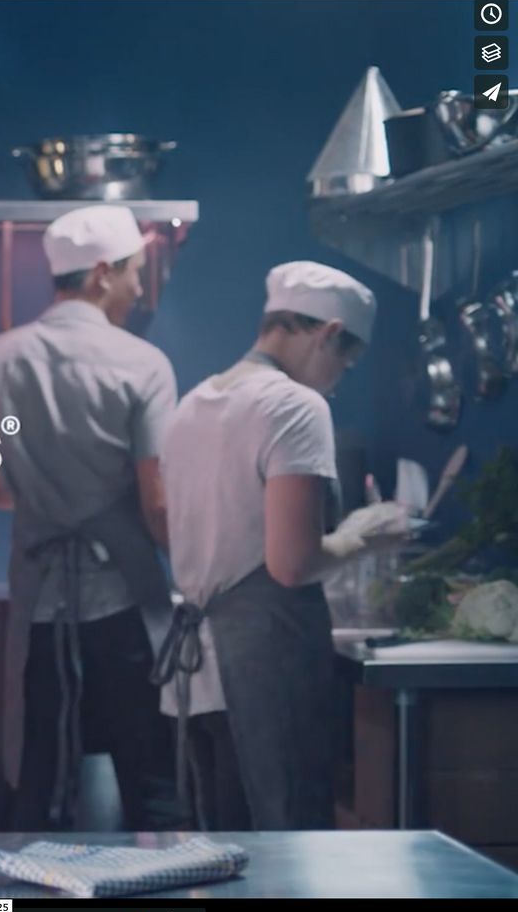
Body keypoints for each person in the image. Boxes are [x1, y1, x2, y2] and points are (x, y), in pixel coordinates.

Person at [0, 204, 181, 830]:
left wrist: (31, 501)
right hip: (126, 603)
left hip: (40, 604)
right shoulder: (143, 364)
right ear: (102, 273)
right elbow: (157, 504)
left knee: (43, 783)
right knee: (151, 781)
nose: (138, 287)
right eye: (134, 272)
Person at [154, 260, 408, 829]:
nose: (341, 375)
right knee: (288, 852)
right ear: (329, 334)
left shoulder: (193, 405)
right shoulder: (294, 407)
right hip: (264, 671)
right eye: (347, 359)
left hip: (199, 680)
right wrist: (363, 535)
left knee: (219, 855)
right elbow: (292, 564)